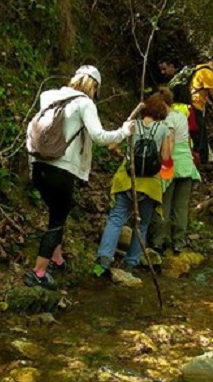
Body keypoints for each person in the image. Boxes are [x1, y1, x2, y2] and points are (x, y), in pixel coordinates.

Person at [25, 65, 135, 290]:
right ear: (93, 85)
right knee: (57, 220)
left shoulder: (49, 96)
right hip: (62, 170)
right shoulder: (85, 103)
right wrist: (125, 131)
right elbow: (99, 136)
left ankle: (57, 260)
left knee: (56, 214)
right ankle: (38, 272)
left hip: (37, 165)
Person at [95, 88, 172, 274]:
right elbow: (166, 157)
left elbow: (112, 145)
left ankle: (103, 262)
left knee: (115, 220)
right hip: (150, 185)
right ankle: (131, 263)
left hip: (127, 179)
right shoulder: (164, 130)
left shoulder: (132, 124)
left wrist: (122, 154)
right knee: (142, 224)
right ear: (163, 109)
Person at [151, 89, 201, 254]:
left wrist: (164, 164)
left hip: (172, 165)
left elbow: (170, 141)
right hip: (187, 165)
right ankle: (179, 242)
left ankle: (159, 241)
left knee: (164, 204)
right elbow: (186, 140)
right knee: (181, 207)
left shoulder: (168, 119)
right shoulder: (181, 115)